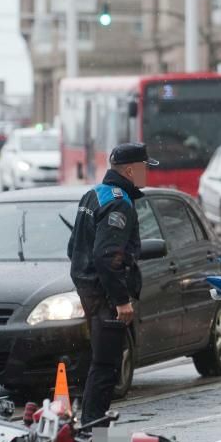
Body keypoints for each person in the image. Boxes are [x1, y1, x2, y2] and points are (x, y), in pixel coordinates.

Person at [67, 143, 157, 426]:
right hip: (105, 296)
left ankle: (96, 434)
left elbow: (74, 248)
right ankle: (97, 438)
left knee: (101, 366)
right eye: (145, 168)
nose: (148, 175)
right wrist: (121, 300)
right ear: (131, 170)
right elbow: (106, 256)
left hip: (90, 291)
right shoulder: (119, 201)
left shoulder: (93, 195)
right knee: (106, 368)